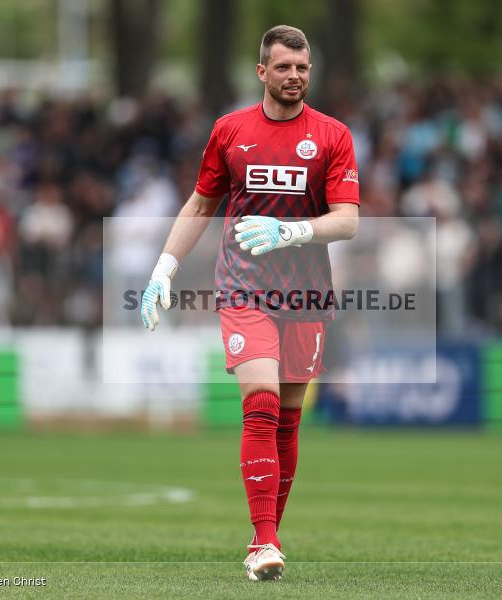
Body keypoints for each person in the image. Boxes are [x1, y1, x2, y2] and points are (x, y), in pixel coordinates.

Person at [139, 25, 360, 581]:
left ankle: (266, 537)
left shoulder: (332, 135)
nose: (294, 76)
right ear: (262, 71)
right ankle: (264, 541)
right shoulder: (230, 130)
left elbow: (348, 220)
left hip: (306, 294)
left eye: (302, 68)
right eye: (283, 67)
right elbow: (200, 203)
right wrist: (163, 269)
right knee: (260, 402)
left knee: (287, 421)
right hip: (244, 288)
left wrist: (292, 232)